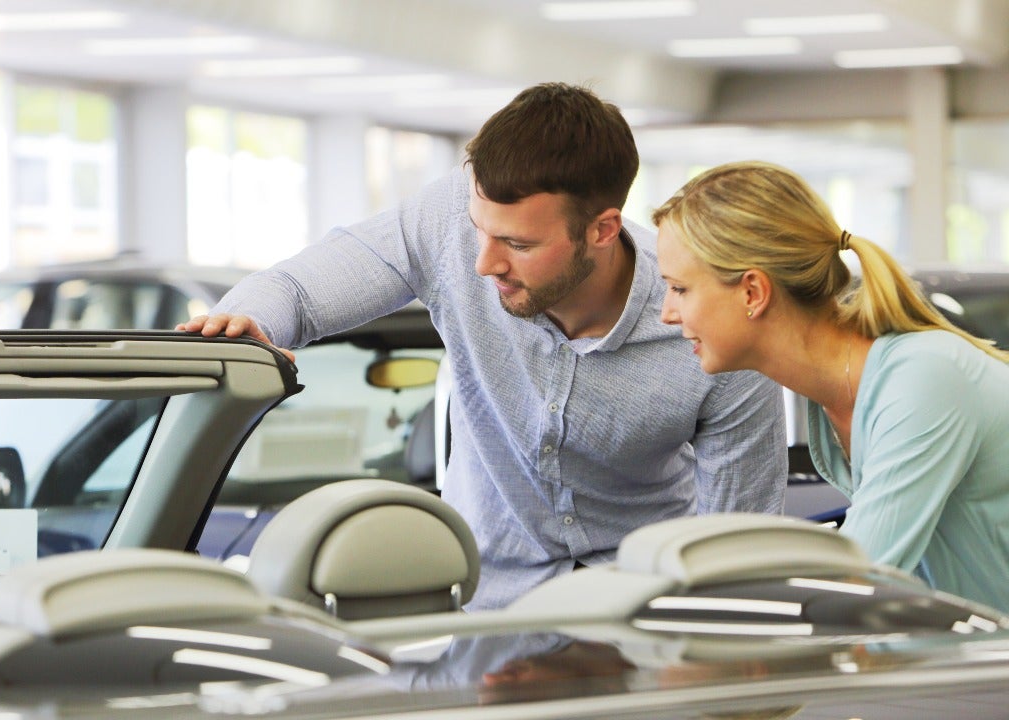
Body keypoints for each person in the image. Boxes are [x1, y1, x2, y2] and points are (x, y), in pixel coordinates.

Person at [179, 83, 788, 609]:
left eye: (519, 245)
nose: (482, 263)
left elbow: (740, 544)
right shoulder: (450, 216)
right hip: (486, 617)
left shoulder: (712, 330)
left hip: (639, 622)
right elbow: (299, 290)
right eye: (479, 231)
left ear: (602, 229)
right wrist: (247, 323)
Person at [653, 159, 1009, 613]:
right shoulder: (835, 400)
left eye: (679, 289)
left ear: (753, 293)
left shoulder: (923, 380)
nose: (667, 313)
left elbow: (854, 580)